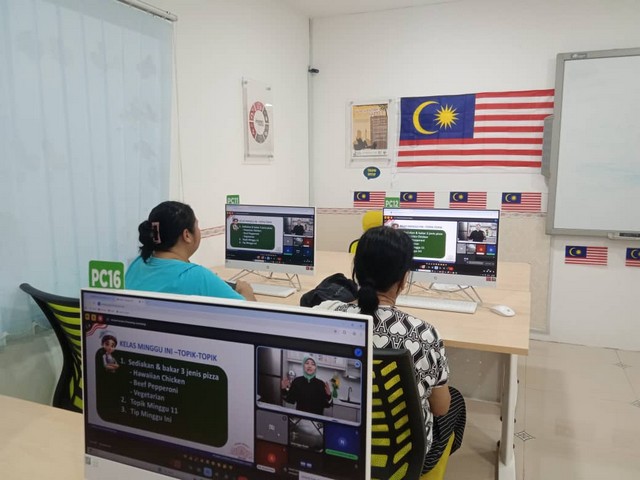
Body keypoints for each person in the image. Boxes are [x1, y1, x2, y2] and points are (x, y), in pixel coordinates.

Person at [316, 226, 465, 474]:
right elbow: (440, 409)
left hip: (338, 447)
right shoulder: (424, 334)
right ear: (404, 279)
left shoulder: (324, 315)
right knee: (455, 401)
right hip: (401, 461)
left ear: (356, 271)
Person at [126, 201, 256, 301]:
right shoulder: (198, 276)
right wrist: (246, 290)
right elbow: (250, 314)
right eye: (197, 225)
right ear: (187, 235)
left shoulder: (138, 264)